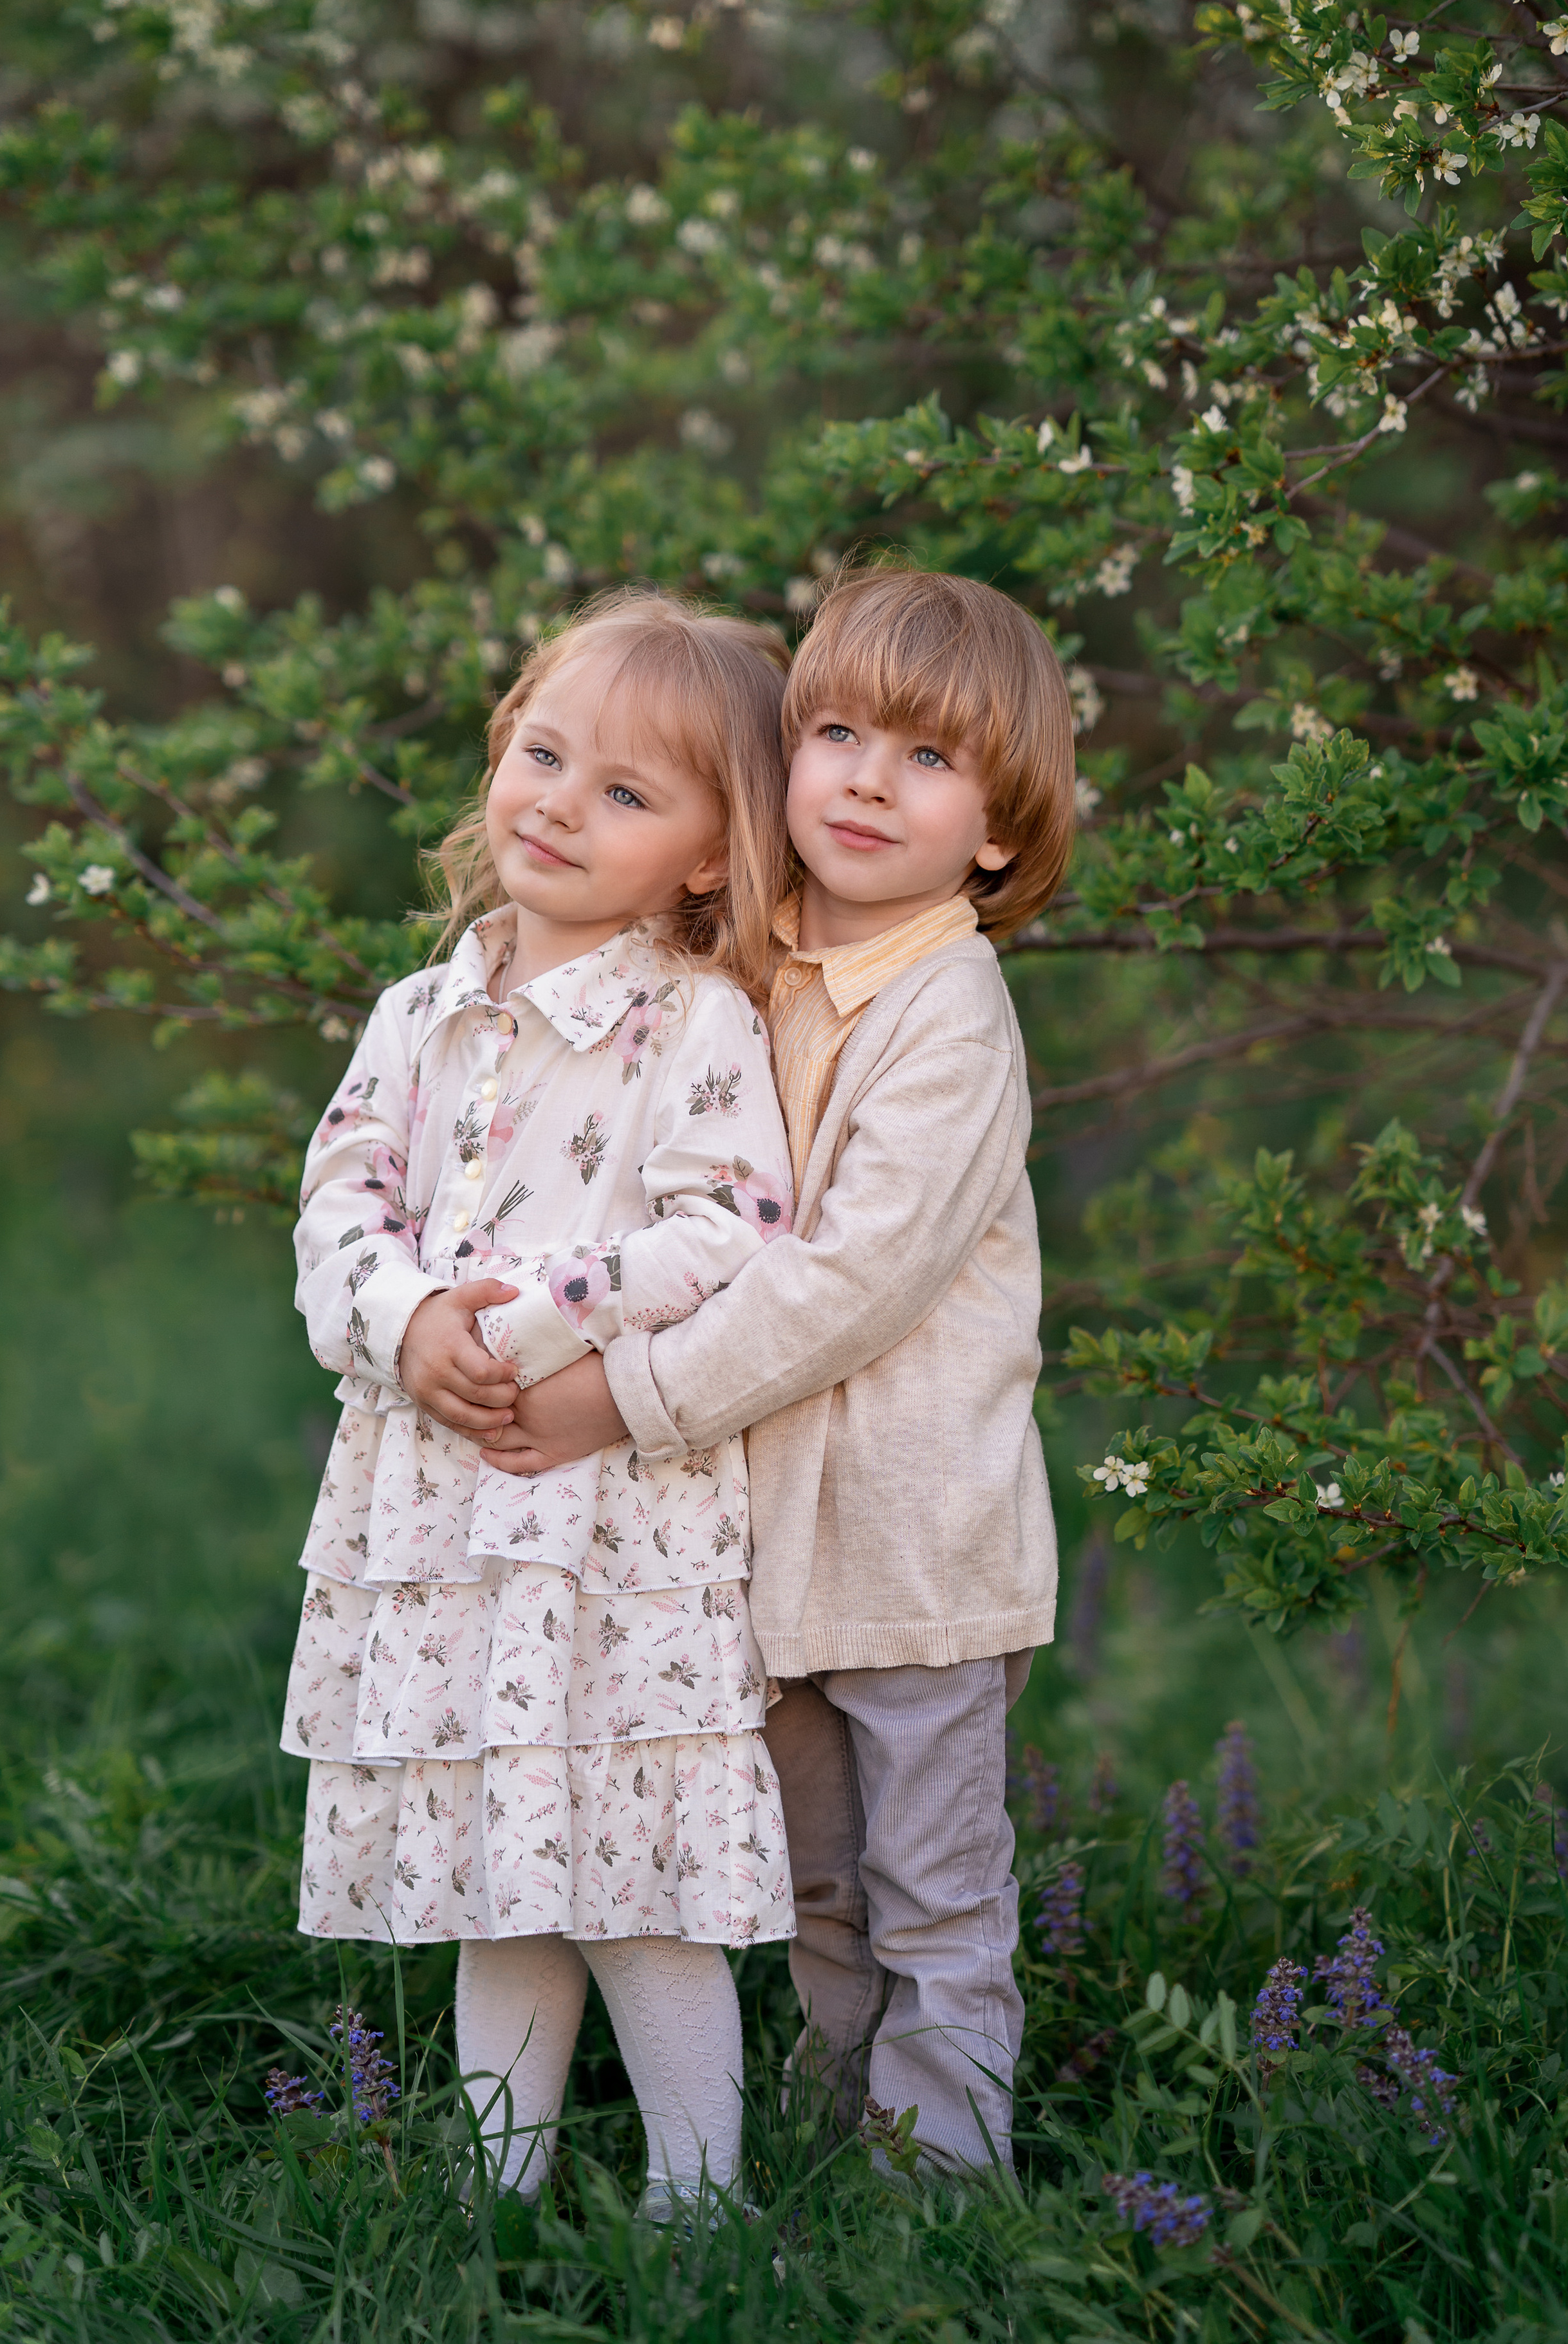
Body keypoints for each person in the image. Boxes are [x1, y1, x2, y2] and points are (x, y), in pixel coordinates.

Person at [483, 564, 1075, 2179]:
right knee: (819, 1887)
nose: (869, 782)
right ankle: (840, 2140)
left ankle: (945, 2191)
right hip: (755, 1551)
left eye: (929, 760)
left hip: (916, 1547)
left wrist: (615, 1397)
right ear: (783, 761)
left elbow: (843, 1286)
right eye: (834, 734)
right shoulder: (742, 954)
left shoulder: (947, 1018)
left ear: (1001, 830)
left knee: (932, 1895)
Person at [279, 589, 798, 2221]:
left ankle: (699, 2203)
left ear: (709, 856)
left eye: (627, 793)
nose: (561, 805)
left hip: (610, 1511)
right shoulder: (419, 1011)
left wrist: (542, 1308)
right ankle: (501, 2200)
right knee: (501, 1855)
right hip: (437, 1498)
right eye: (545, 754)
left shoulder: (692, 1019)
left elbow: (735, 1227)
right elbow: (335, 1204)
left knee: (628, 1853)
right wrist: (406, 1310)